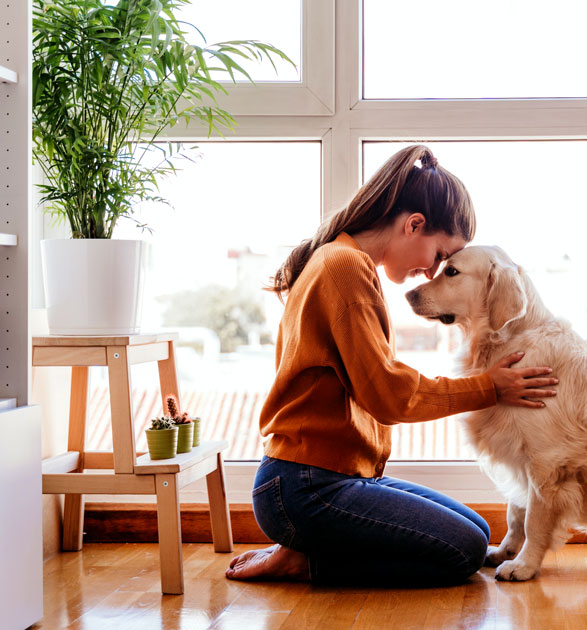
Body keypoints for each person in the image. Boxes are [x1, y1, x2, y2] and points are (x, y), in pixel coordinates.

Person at [225, 145, 558, 586]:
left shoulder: (343, 259)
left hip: (330, 479)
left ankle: (309, 545)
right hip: (304, 487)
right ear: (413, 224)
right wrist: (489, 387)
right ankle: (306, 560)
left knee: (478, 532)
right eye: (440, 255)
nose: (431, 271)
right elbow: (389, 395)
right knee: (464, 551)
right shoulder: (344, 268)